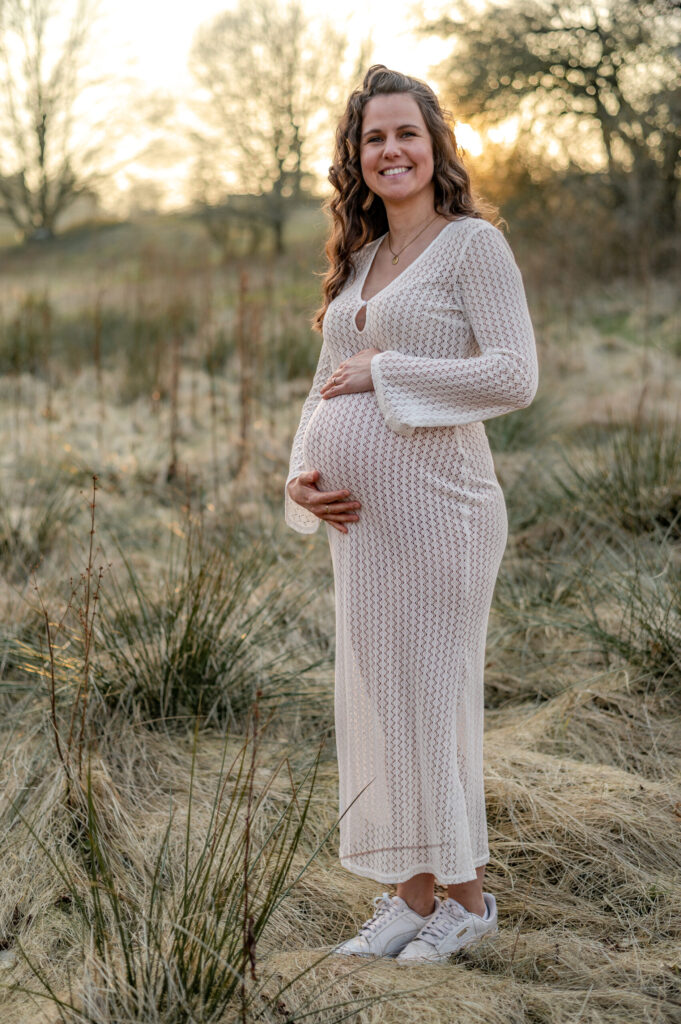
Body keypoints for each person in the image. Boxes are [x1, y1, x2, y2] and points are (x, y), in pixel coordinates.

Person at [284, 65, 538, 964]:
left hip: (444, 514)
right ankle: (409, 895)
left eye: (406, 134)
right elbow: (323, 387)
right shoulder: (356, 261)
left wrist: (387, 373)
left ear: (436, 148)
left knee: (430, 702)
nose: (390, 150)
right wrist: (300, 479)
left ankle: (467, 903)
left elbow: (513, 374)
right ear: (356, 158)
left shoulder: (473, 247)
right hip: (362, 526)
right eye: (373, 138)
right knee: (382, 704)